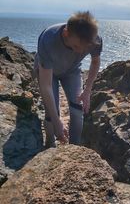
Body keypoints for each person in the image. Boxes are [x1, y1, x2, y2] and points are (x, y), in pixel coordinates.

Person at [34, 11, 102, 147]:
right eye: (77, 46)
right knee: (52, 112)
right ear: (66, 34)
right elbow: (46, 86)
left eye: (85, 49)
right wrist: (57, 122)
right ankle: (49, 143)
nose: (79, 51)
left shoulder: (94, 40)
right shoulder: (48, 40)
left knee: (78, 109)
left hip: (72, 71)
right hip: (48, 72)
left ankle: (74, 147)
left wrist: (87, 90)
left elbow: (95, 62)